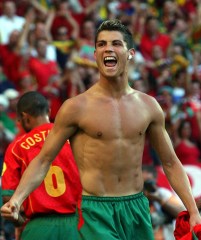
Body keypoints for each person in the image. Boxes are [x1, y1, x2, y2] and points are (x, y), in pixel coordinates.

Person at [1, 19, 201, 240]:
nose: (108, 48)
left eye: (116, 43)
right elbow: (43, 160)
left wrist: (192, 210)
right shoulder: (75, 107)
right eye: (102, 44)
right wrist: (18, 199)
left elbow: (170, 162)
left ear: (130, 53)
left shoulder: (149, 106)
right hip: (95, 212)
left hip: (137, 208)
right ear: (95, 54)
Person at [1, 91, 82, 240]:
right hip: (78, 224)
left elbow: (8, 197)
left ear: (25, 117)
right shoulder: (75, 138)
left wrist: (19, 224)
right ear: (49, 111)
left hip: (38, 228)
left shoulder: (16, 147)